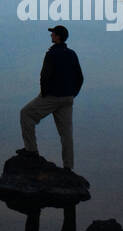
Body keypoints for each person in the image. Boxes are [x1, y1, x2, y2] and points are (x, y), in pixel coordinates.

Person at [19, 25, 84, 170]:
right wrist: (73, 94)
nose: (51, 35)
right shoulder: (72, 54)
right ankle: (68, 167)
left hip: (52, 97)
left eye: (53, 34)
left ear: (58, 37)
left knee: (26, 114)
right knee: (66, 134)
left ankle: (31, 151)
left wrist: (44, 93)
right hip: (68, 98)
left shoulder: (51, 54)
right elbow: (80, 77)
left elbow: (44, 76)